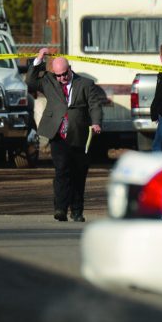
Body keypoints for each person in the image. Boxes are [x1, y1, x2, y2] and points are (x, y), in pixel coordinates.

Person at [27, 48, 102, 222]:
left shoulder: (85, 84)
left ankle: (77, 211)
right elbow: (30, 82)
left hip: (79, 136)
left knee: (78, 174)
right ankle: (60, 208)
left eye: (64, 74)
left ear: (70, 69)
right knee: (62, 171)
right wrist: (39, 59)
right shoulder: (49, 81)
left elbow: (95, 105)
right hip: (58, 135)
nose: (62, 78)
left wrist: (96, 122)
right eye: (58, 75)